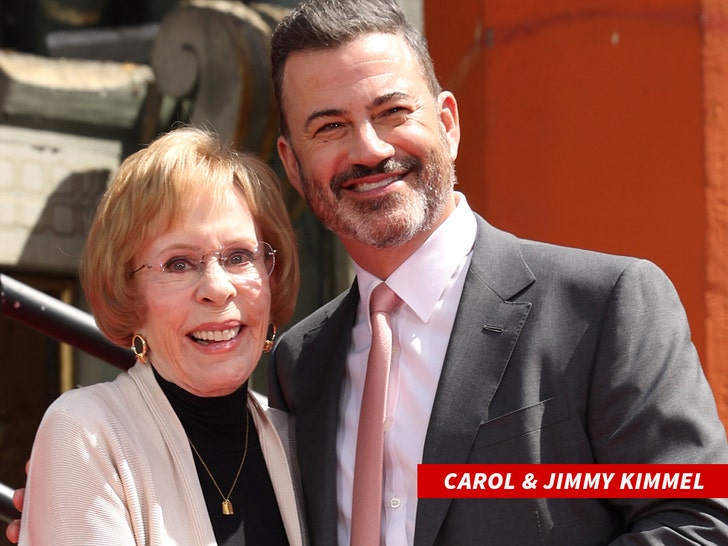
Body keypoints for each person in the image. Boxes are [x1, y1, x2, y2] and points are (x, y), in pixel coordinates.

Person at [266, 0, 728, 545]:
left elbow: (697, 525)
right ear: (293, 164)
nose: (370, 148)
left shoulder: (604, 308)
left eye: (392, 112)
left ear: (447, 124)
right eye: (329, 127)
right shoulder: (299, 364)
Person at [11, 126, 307, 545]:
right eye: (179, 264)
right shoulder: (86, 433)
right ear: (129, 294)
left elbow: (431, 487)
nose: (218, 288)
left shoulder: (304, 440)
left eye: (239, 256)